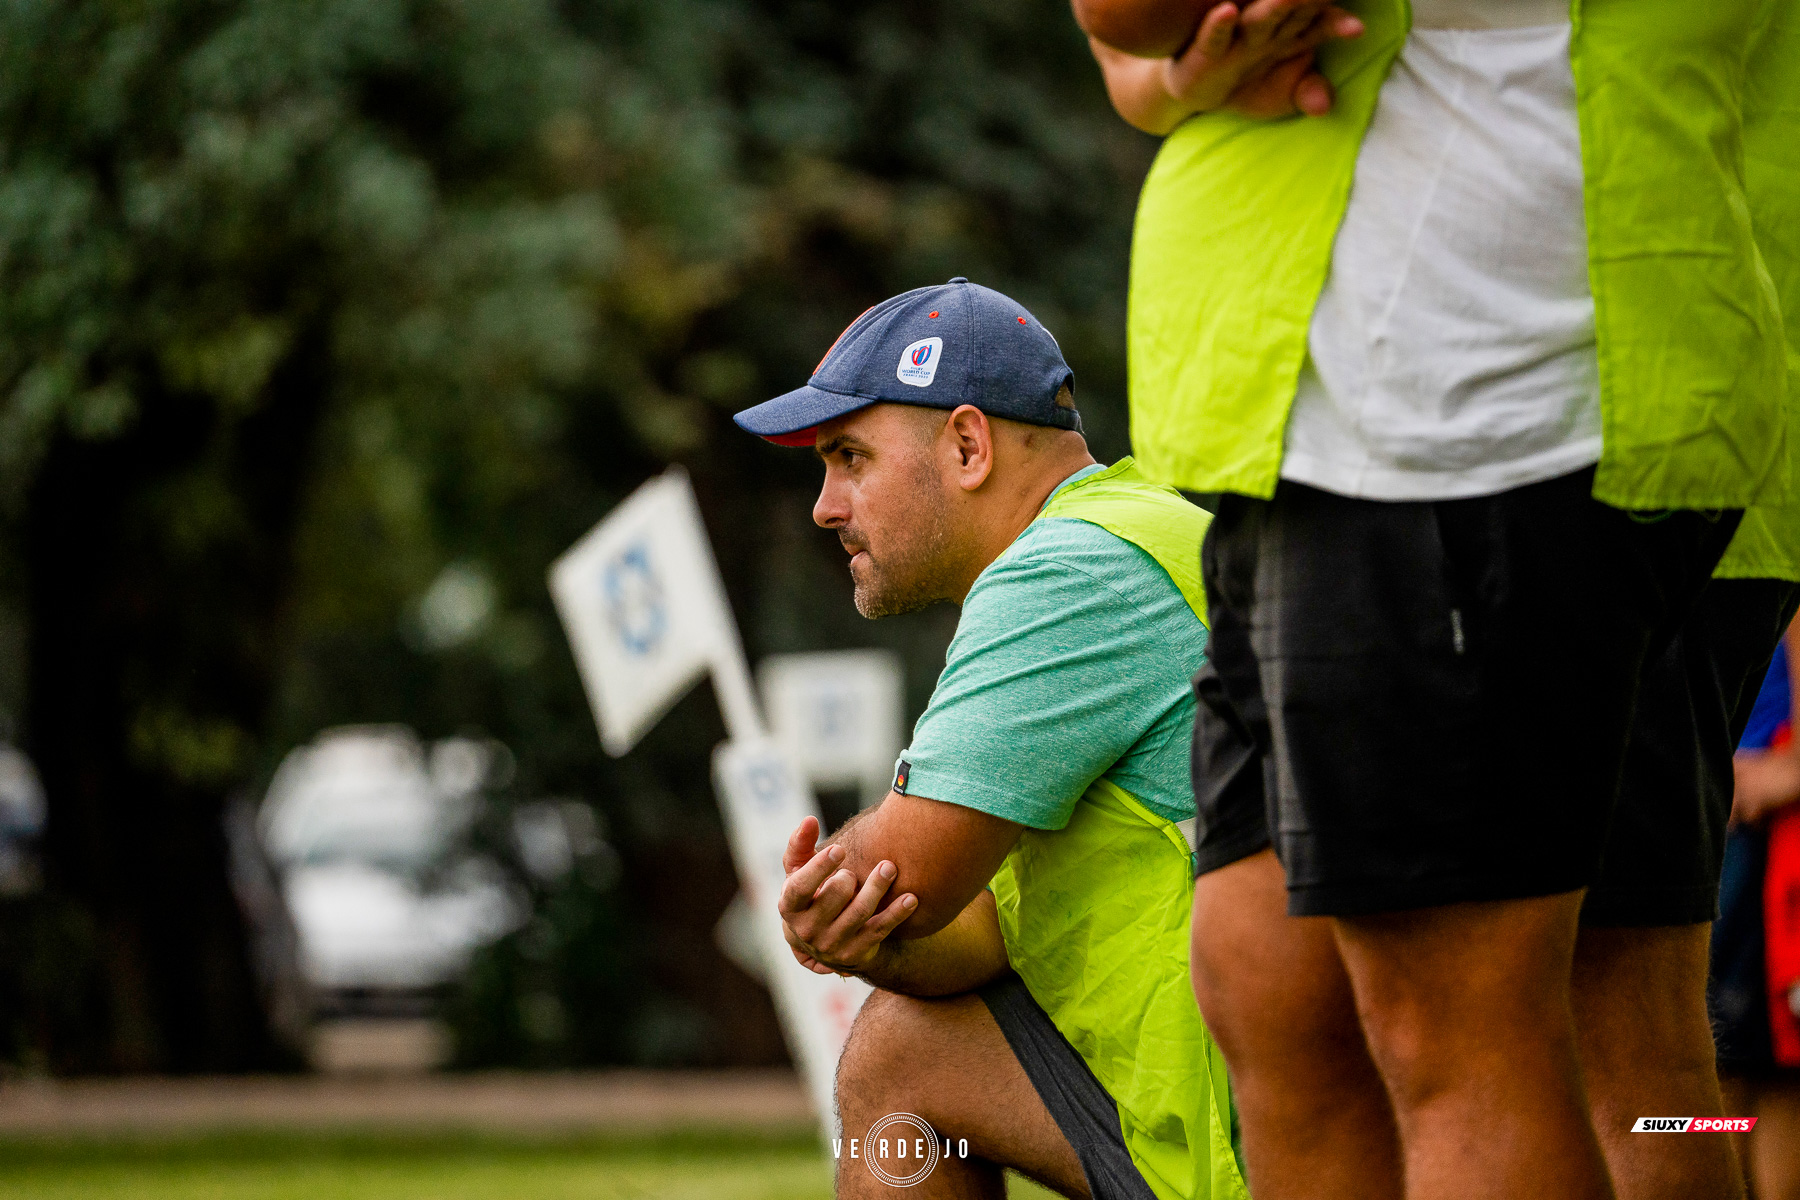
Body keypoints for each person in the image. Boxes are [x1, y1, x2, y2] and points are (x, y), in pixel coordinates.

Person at [1079, 1, 1800, 1199]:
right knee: (1288, 989)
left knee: (1589, 1034)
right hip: (1345, 409)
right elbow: (1130, 39)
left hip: (1497, 399)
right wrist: (1177, 78)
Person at [732, 278, 1244, 1200]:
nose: (825, 505)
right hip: (1262, 1100)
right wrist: (863, 935)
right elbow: (978, 935)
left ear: (968, 444)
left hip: (1248, 1150)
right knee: (906, 1044)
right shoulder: (1134, 531)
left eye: (849, 456)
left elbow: (907, 877)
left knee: (900, 1059)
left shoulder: (1071, 571)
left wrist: (839, 896)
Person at [1713, 619, 1800, 1199]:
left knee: (1753, 1066)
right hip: (1732, 835)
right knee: (1729, 1068)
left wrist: (1775, 775)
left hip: (1762, 843)